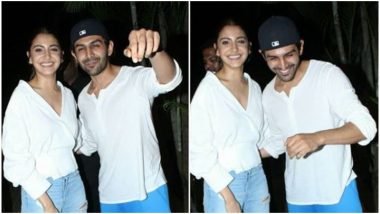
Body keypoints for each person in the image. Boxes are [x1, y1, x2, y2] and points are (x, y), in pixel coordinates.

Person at [257, 16, 377, 212]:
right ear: (263, 56)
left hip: (338, 192)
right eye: (273, 58)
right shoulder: (268, 94)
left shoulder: (327, 75)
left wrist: (318, 138)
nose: (283, 64)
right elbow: (279, 140)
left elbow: (367, 126)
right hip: (297, 198)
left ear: (301, 47)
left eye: (289, 54)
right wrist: (244, 155)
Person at [70, 18, 182, 212]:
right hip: (108, 197)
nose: (88, 54)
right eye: (81, 48)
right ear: (74, 55)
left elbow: (169, 79)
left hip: (148, 192)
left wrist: (153, 51)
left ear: (110, 47)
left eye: (95, 45)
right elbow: (87, 143)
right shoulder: (83, 98)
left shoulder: (135, 78)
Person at [2, 27, 87, 213]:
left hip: (74, 183)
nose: (47, 56)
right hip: (42, 189)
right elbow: (15, 160)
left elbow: (77, 140)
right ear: (29, 56)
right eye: (39, 49)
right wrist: (47, 204)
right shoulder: (22, 98)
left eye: (53, 49)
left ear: (62, 55)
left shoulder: (67, 94)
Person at [190, 18, 271, 213]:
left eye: (240, 41)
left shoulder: (255, 87)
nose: (234, 48)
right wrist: (228, 198)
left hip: (257, 177)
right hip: (224, 183)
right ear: (217, 49)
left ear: (250, 47)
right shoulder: (208, 90)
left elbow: (264, 136)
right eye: (226, 42)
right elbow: (198, 152)